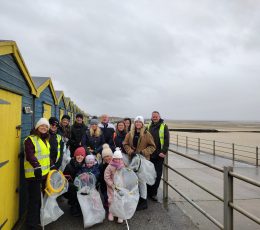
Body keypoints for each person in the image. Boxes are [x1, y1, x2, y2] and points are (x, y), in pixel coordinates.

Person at [123, 115, 156, 210]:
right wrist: (130, 152)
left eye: (140, 122)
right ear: (134, 123)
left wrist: (143, 152)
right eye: (136, 122)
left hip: (143, 161)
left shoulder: (147, 134)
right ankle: (135, 198)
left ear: (142, 123)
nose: (138, 123)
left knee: (142, 181)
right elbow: (125, 144)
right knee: (133, 179)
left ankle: (143, 200)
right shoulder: (130, 133)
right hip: (132, 160)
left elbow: (152, 146)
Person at [24, 118, 51, 229]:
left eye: (46, 127)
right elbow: (30, 155)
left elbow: (46, 156)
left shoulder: (45, 140)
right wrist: (37, 166)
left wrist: (52, 165)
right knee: (34, 201)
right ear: (37, 127)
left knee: (41, 200)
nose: (44, 128)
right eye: (42, 126)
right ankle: (31, 225)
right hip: (34, 175)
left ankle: (38, 220)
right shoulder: (30, 139)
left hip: (44, 174)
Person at [147, 111, 170, 201]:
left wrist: (164, 152)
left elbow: (166, 140)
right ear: (151, 117)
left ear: (159, 116)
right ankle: (149, 191)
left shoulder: (164, 126)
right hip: (149, 154)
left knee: (157, 175)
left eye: (156, 116)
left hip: (159, 155)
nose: (155, 117)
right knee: (149, 174)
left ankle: (154, 193)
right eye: (153, 116)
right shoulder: (149, 126)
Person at [63, 147, 86, 216]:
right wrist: (73, 185)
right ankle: (73, 205)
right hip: (72, 188)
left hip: (82, 186)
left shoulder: (85, 165)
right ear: (75, 155)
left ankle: (80, 205)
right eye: (78, 155)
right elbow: (64, 180)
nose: (80, 157)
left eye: (82, 155)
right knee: (73, 190)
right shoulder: (69, 166)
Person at [104, 148, 125, 224]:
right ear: (113, 158)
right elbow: (106, 176)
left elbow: (125, 175)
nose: (117, 160)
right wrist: (111, 184)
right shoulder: (109, 166)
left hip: (120, 186)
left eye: (119, 159)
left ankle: (120, 214)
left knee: (120, 199)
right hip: (111, 187)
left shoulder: (123, 166)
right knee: (111, 199)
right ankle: (111, 212)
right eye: (116, 159)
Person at [99, 144, 113, 210]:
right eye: (105, 157)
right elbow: (101, 178)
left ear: (111, 155)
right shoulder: (102, 166)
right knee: (106, 196)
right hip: (104, 185)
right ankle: (106, 202)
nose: (107, 158)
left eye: (108, 156)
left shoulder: (115, 164)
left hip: (113, 185)